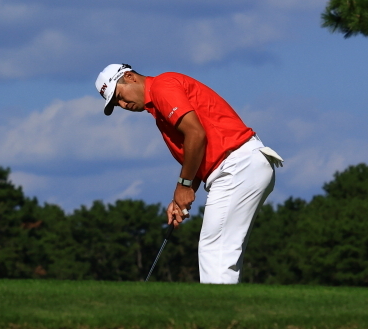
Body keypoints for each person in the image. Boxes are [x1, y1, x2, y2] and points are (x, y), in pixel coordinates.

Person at [96, 63, 282, 284]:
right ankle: (226, 313)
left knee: (215, 251)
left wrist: (183, 186)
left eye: (119, 95)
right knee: (220, 250)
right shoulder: (157, 107)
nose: (123, 104)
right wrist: (181, 197)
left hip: (237, 164)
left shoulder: (162, 86)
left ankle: (217, 317)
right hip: (241, 164)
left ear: (130, 77)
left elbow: (195, 134)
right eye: (116, 104)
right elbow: (196, 151)